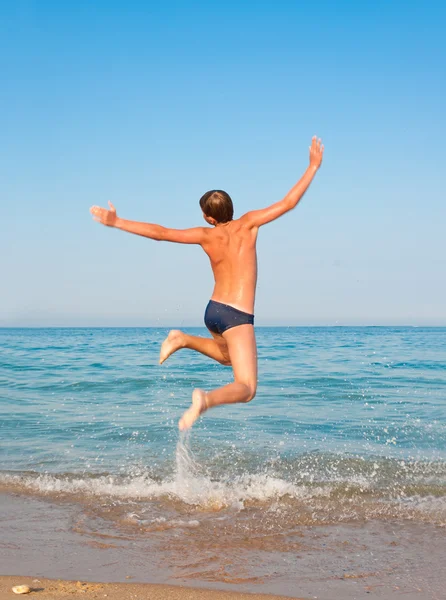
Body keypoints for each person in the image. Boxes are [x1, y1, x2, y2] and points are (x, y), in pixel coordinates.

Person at [90, 136, 324, 430]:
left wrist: (117, 222)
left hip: (214, 312)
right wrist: (313, 166)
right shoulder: (250, 223)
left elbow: (161, 233)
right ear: (231, 209)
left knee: (228, 357)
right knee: (247, 387)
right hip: (238, 317)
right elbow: (289, 202)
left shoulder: (205, 235)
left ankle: (182, 338)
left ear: (208, 216)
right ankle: (205, 400)